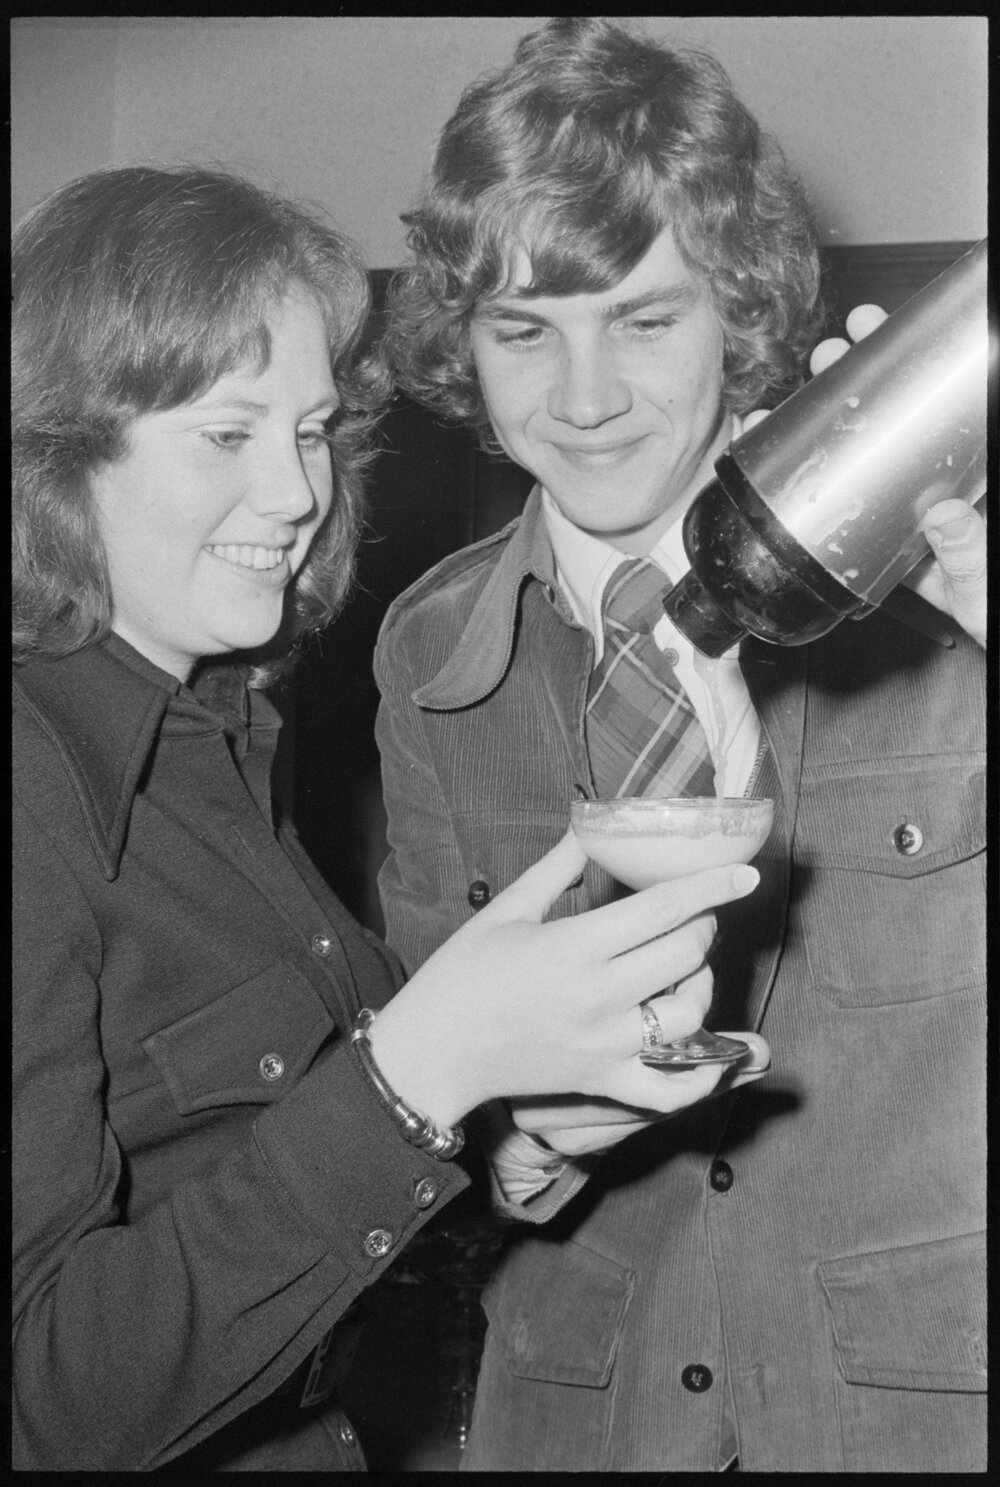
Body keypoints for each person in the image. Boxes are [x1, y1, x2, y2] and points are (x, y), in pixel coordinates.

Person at [10, 164, 774, 1472]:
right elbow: (45, 1402)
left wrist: (511, 1142)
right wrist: (415, 1072)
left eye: (311, 430)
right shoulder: (36, 779)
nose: (296, 492)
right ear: (58, 453)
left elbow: (252, 1183)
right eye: (228, 434)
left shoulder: (219, 740)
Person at [374, 18, 987, 1473]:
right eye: (524, 331)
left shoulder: (950, 597)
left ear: (740, 308)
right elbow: (426, 1094)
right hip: (584, 1418)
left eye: (644, 322)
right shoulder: (428, 656)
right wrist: (514, 1150)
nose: (584, 398)